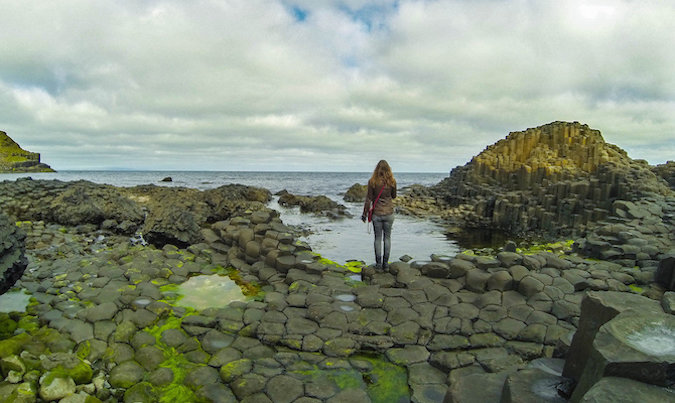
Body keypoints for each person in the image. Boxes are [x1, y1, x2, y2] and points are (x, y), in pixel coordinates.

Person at [361, 160, 397, 270]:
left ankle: (378, 264)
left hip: (377, 214)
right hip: (389, 213)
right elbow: (394, 196)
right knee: (387, 238)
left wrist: (364, 213)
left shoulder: (372, 181)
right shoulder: (392, 181)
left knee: (377, 239)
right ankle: (386, 265)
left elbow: (369, 199)